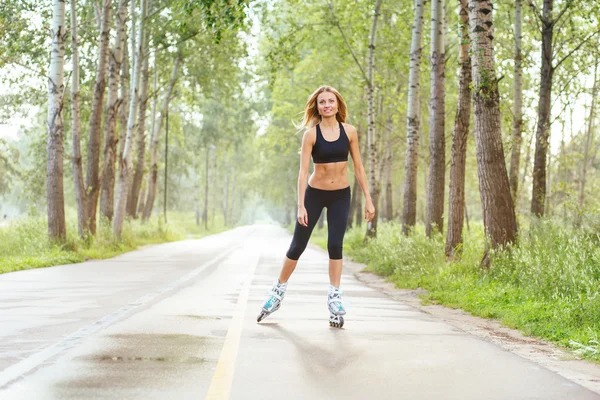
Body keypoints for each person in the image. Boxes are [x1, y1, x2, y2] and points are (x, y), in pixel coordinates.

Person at [257, 85, 375, 328]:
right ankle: (278, 291)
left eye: (331, 101)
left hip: (341, 195)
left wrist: (368, 199)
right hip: (315, 195)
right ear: (317, 106)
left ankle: (334, 297)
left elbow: (359, 168)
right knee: (298, 245)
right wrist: (301, 205)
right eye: (322, 102)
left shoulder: (349, 132)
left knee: (335, 244)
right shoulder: (311, 135)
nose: (327, 105)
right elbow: (302, 173)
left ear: (338, 105)